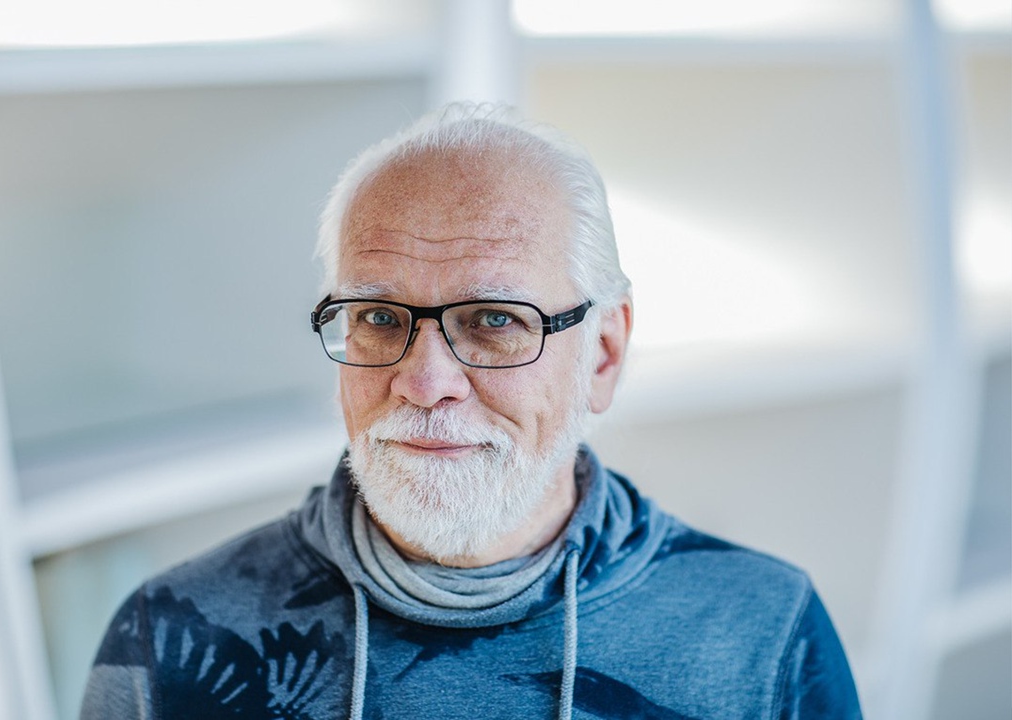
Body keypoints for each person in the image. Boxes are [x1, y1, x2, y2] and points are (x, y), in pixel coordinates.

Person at [81, 103, 862, 720]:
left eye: (494, 320)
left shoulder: (763, 630)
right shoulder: (172, 633)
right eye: (378, 317)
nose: (425, 384)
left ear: (603, 354)